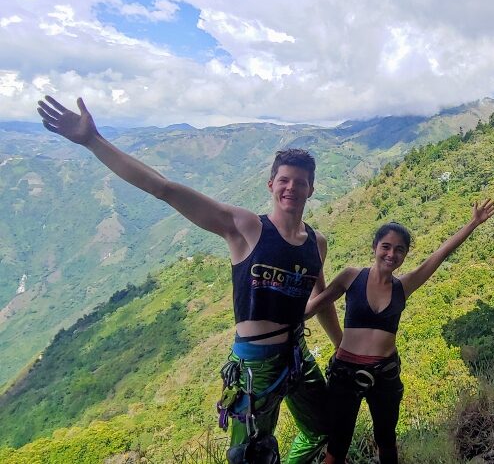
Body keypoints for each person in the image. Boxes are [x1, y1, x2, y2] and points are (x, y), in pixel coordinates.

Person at [37, 96, 343, 463]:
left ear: (311, 188)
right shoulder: (246, 229)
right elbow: (163, 188)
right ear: (270, 184)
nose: (291, 188)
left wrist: (341, 346)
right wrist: (93, 141)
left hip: (296, 354)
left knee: (325, 428)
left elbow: (320, 299)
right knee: (251, 455)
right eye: (284, 180)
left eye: (300, 182)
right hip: (255, 366)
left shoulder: (316, 243)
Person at [305, 201, 494, 464]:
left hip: (385, 373)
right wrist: (276, 322)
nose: (391, 254)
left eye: (399, 249)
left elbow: (439, 255)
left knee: (386, 439)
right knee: (337, 445)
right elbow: (316, 305)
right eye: (386, 246)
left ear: (405, 255)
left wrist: (473, 223)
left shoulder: (403, 286)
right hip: (345, 373)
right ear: (374, 247)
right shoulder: (351, 276)